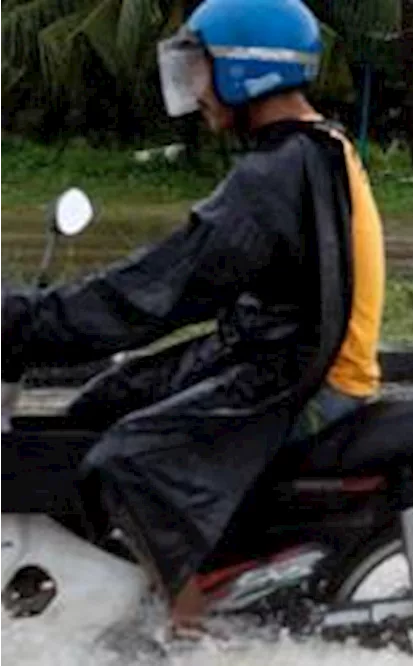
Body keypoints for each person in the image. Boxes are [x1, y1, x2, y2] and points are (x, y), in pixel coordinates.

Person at [0, 0, 385, 633]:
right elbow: (181, 276)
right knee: (100, 404)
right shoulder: (313, 146)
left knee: (129, 457)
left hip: (303, 379)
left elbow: (160, 289)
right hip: (280, 351)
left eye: (200, 71)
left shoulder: (273, 177)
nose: (194, 92)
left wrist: (28, 322)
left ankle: (185, 626)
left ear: (244, 70)